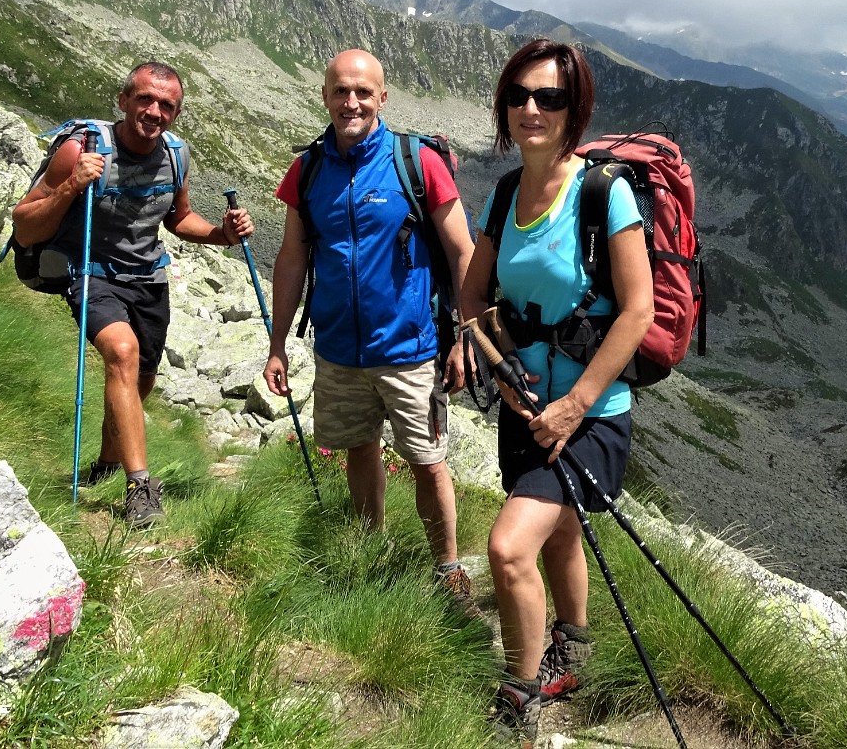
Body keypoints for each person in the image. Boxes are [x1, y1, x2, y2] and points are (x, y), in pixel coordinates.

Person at [459, 40, 654, 745]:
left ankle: (523, 685)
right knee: (561, 529)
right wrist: (500, 367)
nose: (531, 109)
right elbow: (472, 296)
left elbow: (638, 311)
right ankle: (575, 644)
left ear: (577, 109)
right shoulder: (507, 193)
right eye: (519, 95)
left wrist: (575, 405)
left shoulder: (605, 192)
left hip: (592, 414)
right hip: (525, 407)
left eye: (550, 98)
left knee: (510, 548)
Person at [263, 48, 480, 612]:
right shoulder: (307, 169)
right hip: (338, 350)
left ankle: (448, 569)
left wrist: (466, 336)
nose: (351, 102)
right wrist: (277, 344)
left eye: (363, 92)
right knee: (359, 449)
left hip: (411, 349)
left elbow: (462, 253)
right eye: (340, 91)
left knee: (428, 461)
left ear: (383, 97)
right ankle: (370, 552)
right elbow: (291, 259)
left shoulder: (417, 162)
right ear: (325, 97)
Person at [12, 61, 253, 528]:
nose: (154, 110)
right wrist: (70, 186)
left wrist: (222, 234)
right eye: (144, 98)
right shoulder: (79, 150)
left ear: (176, 114)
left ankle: (105, 463)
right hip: (90, 271)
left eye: (167, 105)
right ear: (123, 101)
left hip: (148, 279)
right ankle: (139, 487)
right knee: (122, 353)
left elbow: (179, 219)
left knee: (141, 380)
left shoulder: (177, 157)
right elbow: (25, 223)